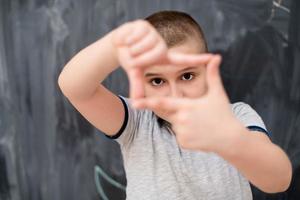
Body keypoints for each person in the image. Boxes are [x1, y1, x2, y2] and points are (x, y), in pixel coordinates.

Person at [58, 10, 292, 200]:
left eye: (187, 76)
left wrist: (228, 139)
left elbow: (278, 180)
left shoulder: (237, 117)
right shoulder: (137, 122)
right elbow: (73, 86)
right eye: (157, 81)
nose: (175, 94)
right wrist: (117, 44)